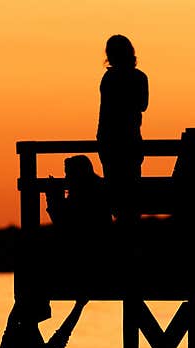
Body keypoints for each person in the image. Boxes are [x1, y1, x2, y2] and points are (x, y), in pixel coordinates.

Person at [96, 34, 149, 226]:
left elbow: (107, 109)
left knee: (114, 190)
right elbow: (143, 105)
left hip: (109, 140)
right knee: (131, 188)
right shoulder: (140, 78)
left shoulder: (108, 79)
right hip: (131, 140)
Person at [45, 155, 112, 234]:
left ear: (77, 174)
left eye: (68, 174)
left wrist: (53, 197)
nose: (66, 178)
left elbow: (63, 223)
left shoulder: (80, 195)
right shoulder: (98, 188)